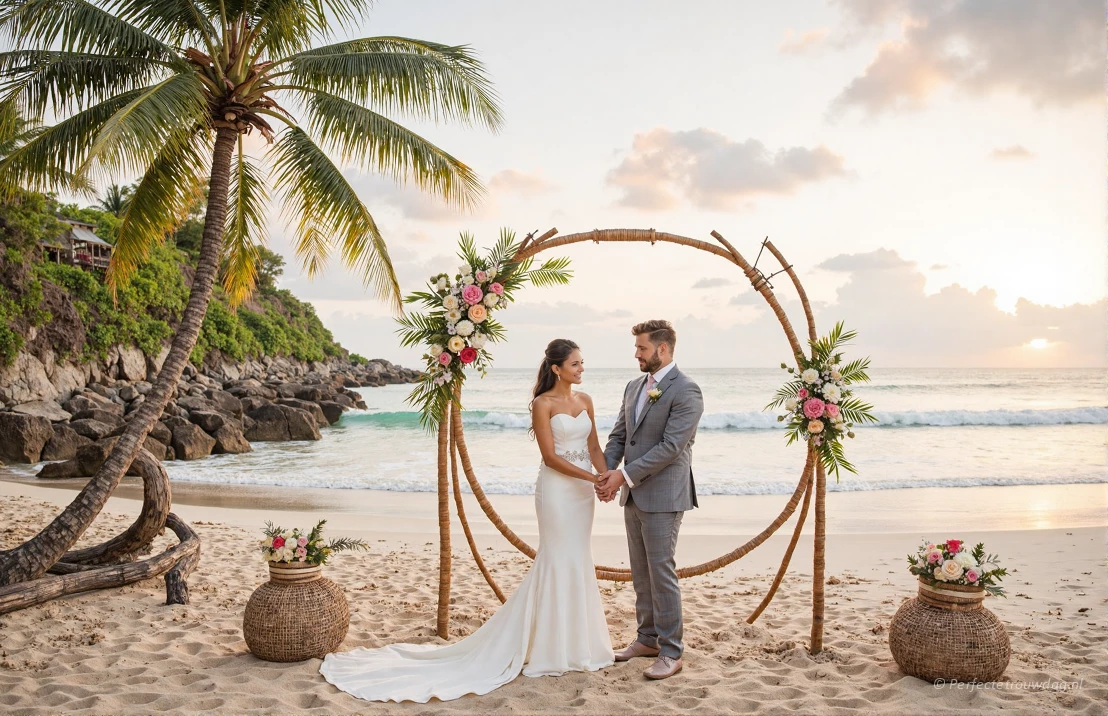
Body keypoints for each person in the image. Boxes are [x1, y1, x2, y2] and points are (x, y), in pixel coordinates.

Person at [320, 338, 614, 703]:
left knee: (578, 557)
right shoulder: (543, 403)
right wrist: (592, 478)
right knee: (555, 558)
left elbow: (594, 447)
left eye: (582, 363)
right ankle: (550, 648)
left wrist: (606, 478)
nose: (582, 369)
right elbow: (551, 457)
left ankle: (579, 644)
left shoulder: (586, 401)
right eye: (575, 364)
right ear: (557, 368)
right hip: (557, 492)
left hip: (582, 494)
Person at [594, 319, 704, 680]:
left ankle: (672, 651)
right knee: (640, 572)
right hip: (633, 494)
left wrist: (622, 476)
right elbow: (619, 436)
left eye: (642, 348)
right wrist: (606, 474)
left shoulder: (687, 390)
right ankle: (647, 639)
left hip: (664, 495)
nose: (636, 354)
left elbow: (671, 448)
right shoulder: (633, 387)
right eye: (636, 348)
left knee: (661, 571)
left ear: (662, 348)